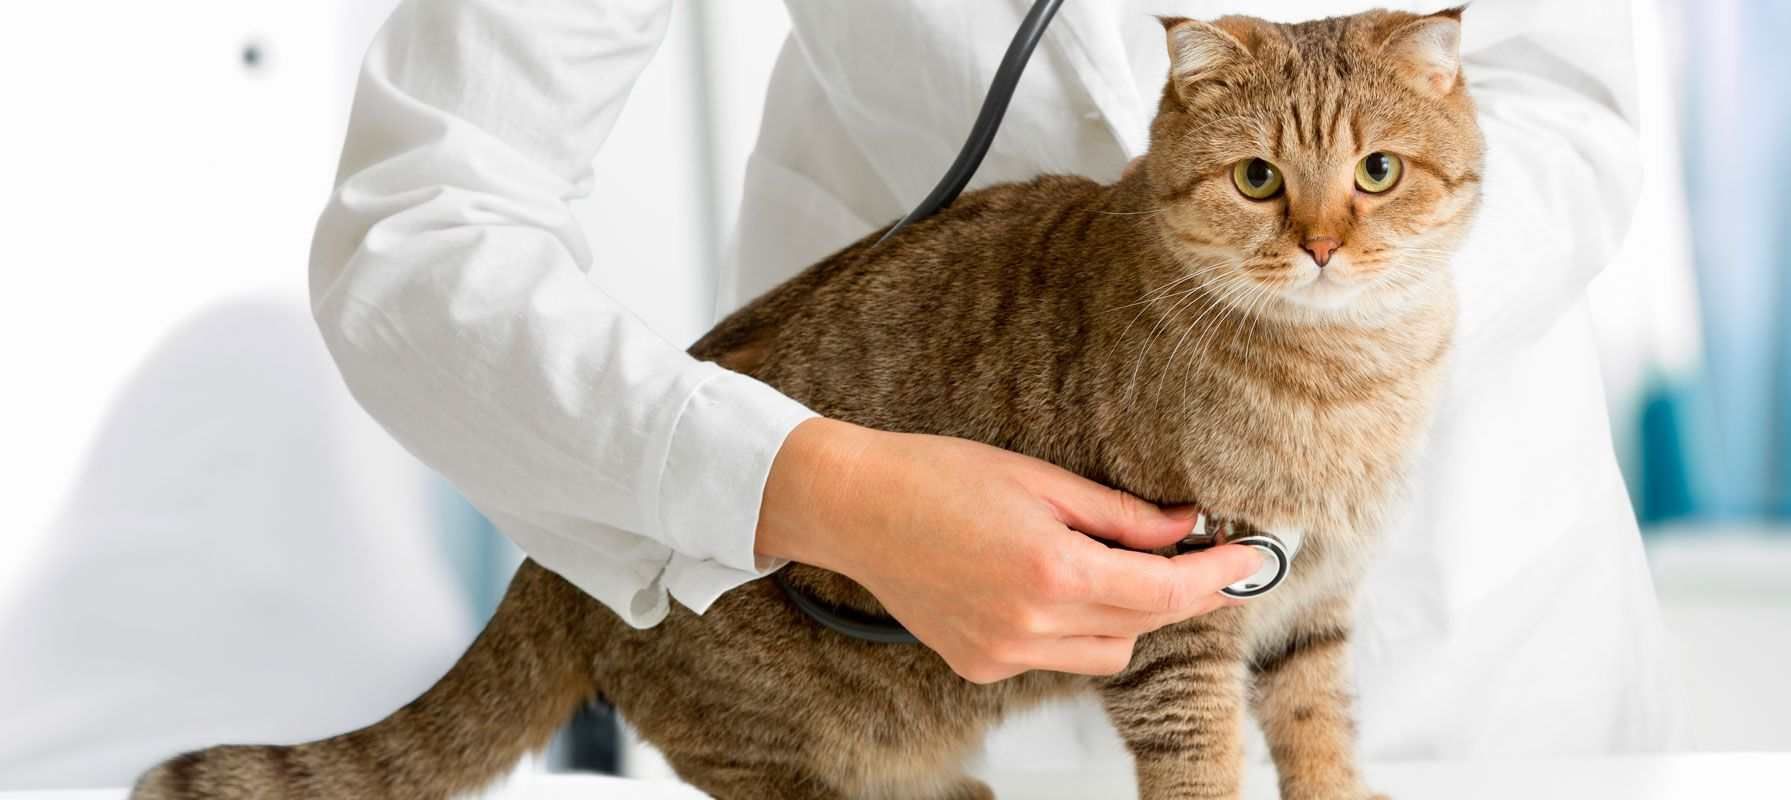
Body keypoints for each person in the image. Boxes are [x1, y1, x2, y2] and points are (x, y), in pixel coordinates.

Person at [313, 0, 1668, 763]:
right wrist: (807, 487)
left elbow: (1569, 104)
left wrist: (1317, 342)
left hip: (1461, 640)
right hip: (893, 648)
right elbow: (423, 221)